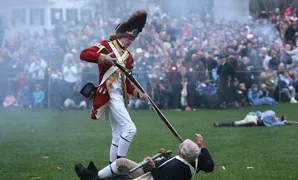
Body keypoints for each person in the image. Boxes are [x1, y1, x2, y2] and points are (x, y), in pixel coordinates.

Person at [79, 10, 149, 164]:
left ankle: (112, 169)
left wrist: (140, 94)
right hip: (109, 95)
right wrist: (102, 58)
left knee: (117, 135)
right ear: (121, 34)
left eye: (133, 39)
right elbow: (83, 54)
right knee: (130, 129)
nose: (131, 41)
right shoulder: (106, 46)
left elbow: (127, 84)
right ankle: (120, 163)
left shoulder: (128, 58)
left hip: (119, 96)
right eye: (129, 38)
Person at [74, 134, 214, 180]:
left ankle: (92, 177)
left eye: (181, 146)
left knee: (121, 164)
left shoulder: (179, 168)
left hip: (150, 176)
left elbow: (162, 179)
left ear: (182, 153)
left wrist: (153, 167)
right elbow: (210, 166)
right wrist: (202, 145)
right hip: (151, 171)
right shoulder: (195, 157)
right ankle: (96, 175)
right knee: (121, 169)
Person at [213, 110, 291, 127]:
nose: (277, 119)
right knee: (253, 123)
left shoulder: (272, 121)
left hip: (251, 117)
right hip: (253, 117)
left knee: (236, 123)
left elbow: (276, 124)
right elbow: (261, 114)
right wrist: (283, 122)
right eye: (278, 118)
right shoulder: (272, 114)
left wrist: (284, 122)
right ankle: (219, 124)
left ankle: (219, 124)